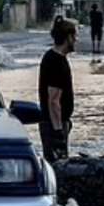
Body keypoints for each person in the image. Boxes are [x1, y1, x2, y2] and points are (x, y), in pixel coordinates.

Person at [38, 16, 78, 162]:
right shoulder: (56, 62)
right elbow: (53, 101)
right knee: (58, 166)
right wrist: (58, 132)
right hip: (53, 126)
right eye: (74, 36)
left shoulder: (55, 57)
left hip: (56, 123)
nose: (76, 40)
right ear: (67, 37)